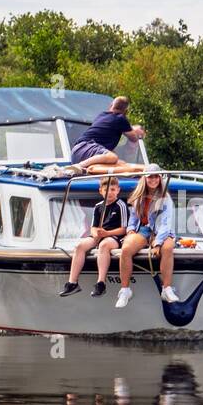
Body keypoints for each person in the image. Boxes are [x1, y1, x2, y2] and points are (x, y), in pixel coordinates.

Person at [116, 165, 179, 308]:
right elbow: (133, 217)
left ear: (160, 178)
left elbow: (165, 224)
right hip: (144, 230)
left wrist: (158, 243)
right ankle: (125, 290)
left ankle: (166, 288)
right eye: (151, 176)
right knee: (126, 249)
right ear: (145, 178)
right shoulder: (138, 196)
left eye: (156, 176)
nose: (154, 179)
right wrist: (131, 230)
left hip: (161, 231)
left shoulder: (165, 198)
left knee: (168, 247)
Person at [60, 175, 128, 298]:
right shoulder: (98, 207)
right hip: (100, 235)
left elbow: (124, 229)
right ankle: (72, 282)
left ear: (118, 190)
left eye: (112, 190)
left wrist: (107, 233)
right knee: (80, 246)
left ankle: (101, 283)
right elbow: (93, 227)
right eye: (106, 190)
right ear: (100, 191)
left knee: (104, 245)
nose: (109, 193)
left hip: (115, 237)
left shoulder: (121, 205)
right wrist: (96, 234)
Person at [68, 96, 147, 174]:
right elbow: (134, 138)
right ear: (126, 111)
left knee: (121, 163)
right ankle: (79, 166)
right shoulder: (120, 118)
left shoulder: (102, 115)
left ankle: (82, 169)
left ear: (111, 105)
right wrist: (135, 130)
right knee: (113, 157)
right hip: (86, 148)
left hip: (77, 152)